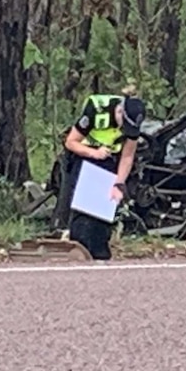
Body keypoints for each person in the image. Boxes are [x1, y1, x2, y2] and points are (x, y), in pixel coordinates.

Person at [56, 93, 147, 260]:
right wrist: (94, 153)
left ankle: (100, 255)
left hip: (109, 160)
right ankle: (80, 251)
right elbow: (71, 142)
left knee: (104, 212)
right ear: (119, 112)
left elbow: (127, 156)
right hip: (85, 157)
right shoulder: (96, 110)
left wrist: (119, 184)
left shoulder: (133, 124)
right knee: (85, 211)